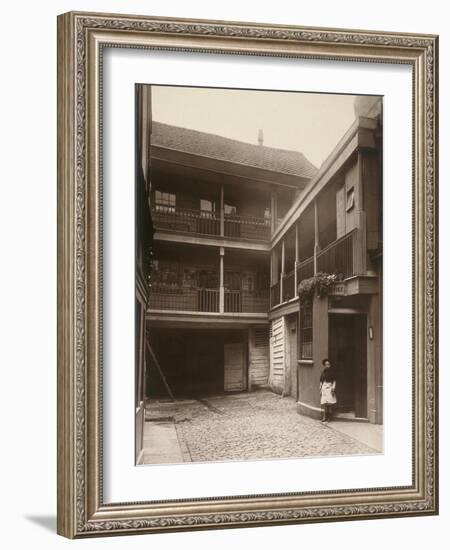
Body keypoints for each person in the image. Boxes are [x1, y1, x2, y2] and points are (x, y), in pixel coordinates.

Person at [319, 358, 337, 422]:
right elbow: (321, 380)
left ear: (330, 365)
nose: (327, 365)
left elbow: (334, 381)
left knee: (329, 404)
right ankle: (325, 417)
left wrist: (333, 388)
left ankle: (329, 417)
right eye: (326, 364)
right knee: (324, 403)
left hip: (330, 387)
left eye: (328, 364)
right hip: (324, 388)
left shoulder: (332, 372)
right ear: (324, 365)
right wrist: (320, 387)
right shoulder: (323, 372)